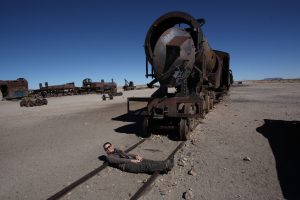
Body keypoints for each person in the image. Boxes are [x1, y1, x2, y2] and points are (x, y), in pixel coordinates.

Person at [103, 142, 174, 174]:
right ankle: (166, 165)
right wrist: (131, 160)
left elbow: (127, 154)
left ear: (112, 145)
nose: (108, 149)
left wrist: (135, 156)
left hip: (131, 160)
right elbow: (119, 160)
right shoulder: (109, 157)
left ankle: (165, 164)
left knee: (149, 161)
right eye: (106, 149)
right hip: (126, 165)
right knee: (145, 166)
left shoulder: (117, 150)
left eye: (109, 146)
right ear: (106, 151)